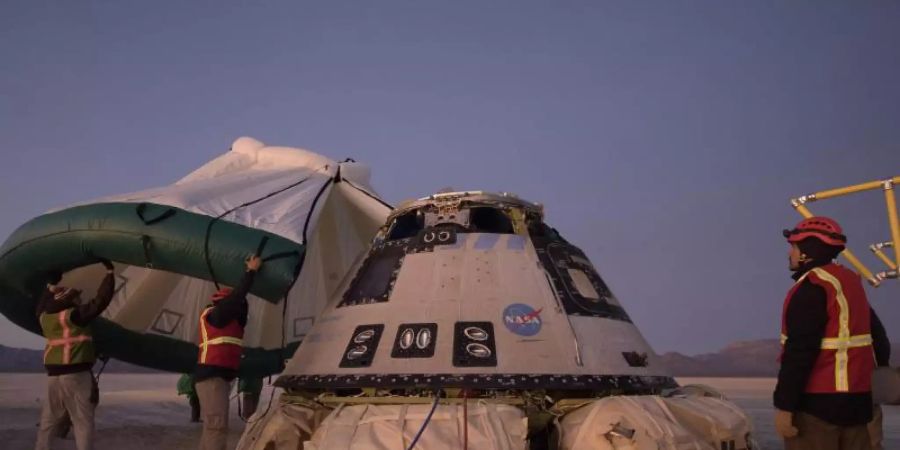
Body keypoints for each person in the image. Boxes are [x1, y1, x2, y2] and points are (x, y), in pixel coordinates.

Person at [774, 217, 888, 450]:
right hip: (858, 405)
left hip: (816, 410)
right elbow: (879, 338)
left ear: (807, 252)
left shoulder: (811, 288)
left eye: (794, 247)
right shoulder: (849, 283)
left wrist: (785, 406)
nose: (789, 254)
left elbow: (800, 353)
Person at [35, 259, 116, 450]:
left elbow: (41, 306)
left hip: (54, 377)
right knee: (82, 423)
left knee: (48, 422)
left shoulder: (45, 318)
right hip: (77, 376)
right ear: (69, 301)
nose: (79, 301)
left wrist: (50, 287)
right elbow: (100, 301)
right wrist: (110, 273)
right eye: (76, 299)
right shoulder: (74, 317)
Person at [194, 255, 262, 450]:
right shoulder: (217, 315)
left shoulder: (229, 320)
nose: (239, 309)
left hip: (219, 377)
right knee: (217, 428)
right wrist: (250, 272)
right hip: (212, 377)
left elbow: (241, 304)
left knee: (212, 427)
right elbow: (238, 298)